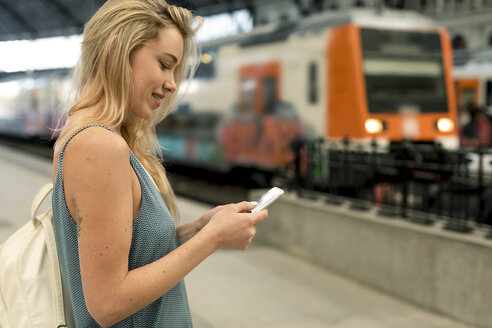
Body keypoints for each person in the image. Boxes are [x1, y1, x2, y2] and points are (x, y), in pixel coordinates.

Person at [51, 1, 268, 327]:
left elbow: (129, 252)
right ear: (119, 50)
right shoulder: (97, 145)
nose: (172, 84)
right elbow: (107, 304)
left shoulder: (90, 137)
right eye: (165, 64)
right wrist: (213, 240)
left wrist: (199, 230)